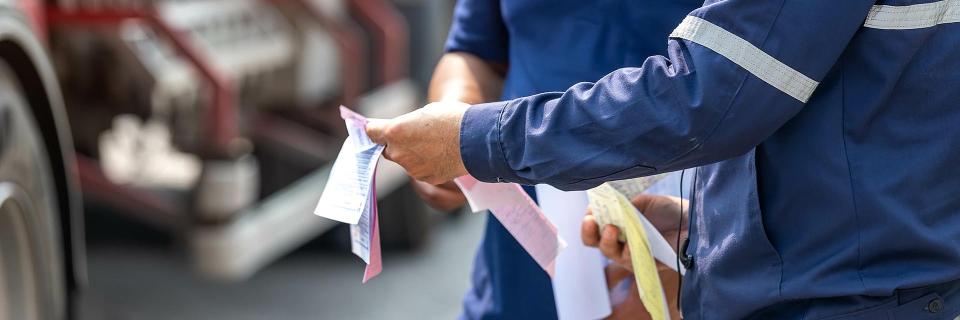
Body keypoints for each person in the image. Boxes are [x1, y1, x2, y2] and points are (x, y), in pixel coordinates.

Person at [369, 0, 960, 319]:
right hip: (601, 261)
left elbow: (712, 96)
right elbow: (473, 46)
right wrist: (707, 235)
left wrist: (475, 140)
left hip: (843, 296)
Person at [413, 0, 701, 319]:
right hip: (521, 261)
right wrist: (453, 126)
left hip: (682, 238)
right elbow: (474, 49)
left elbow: (734, 79)